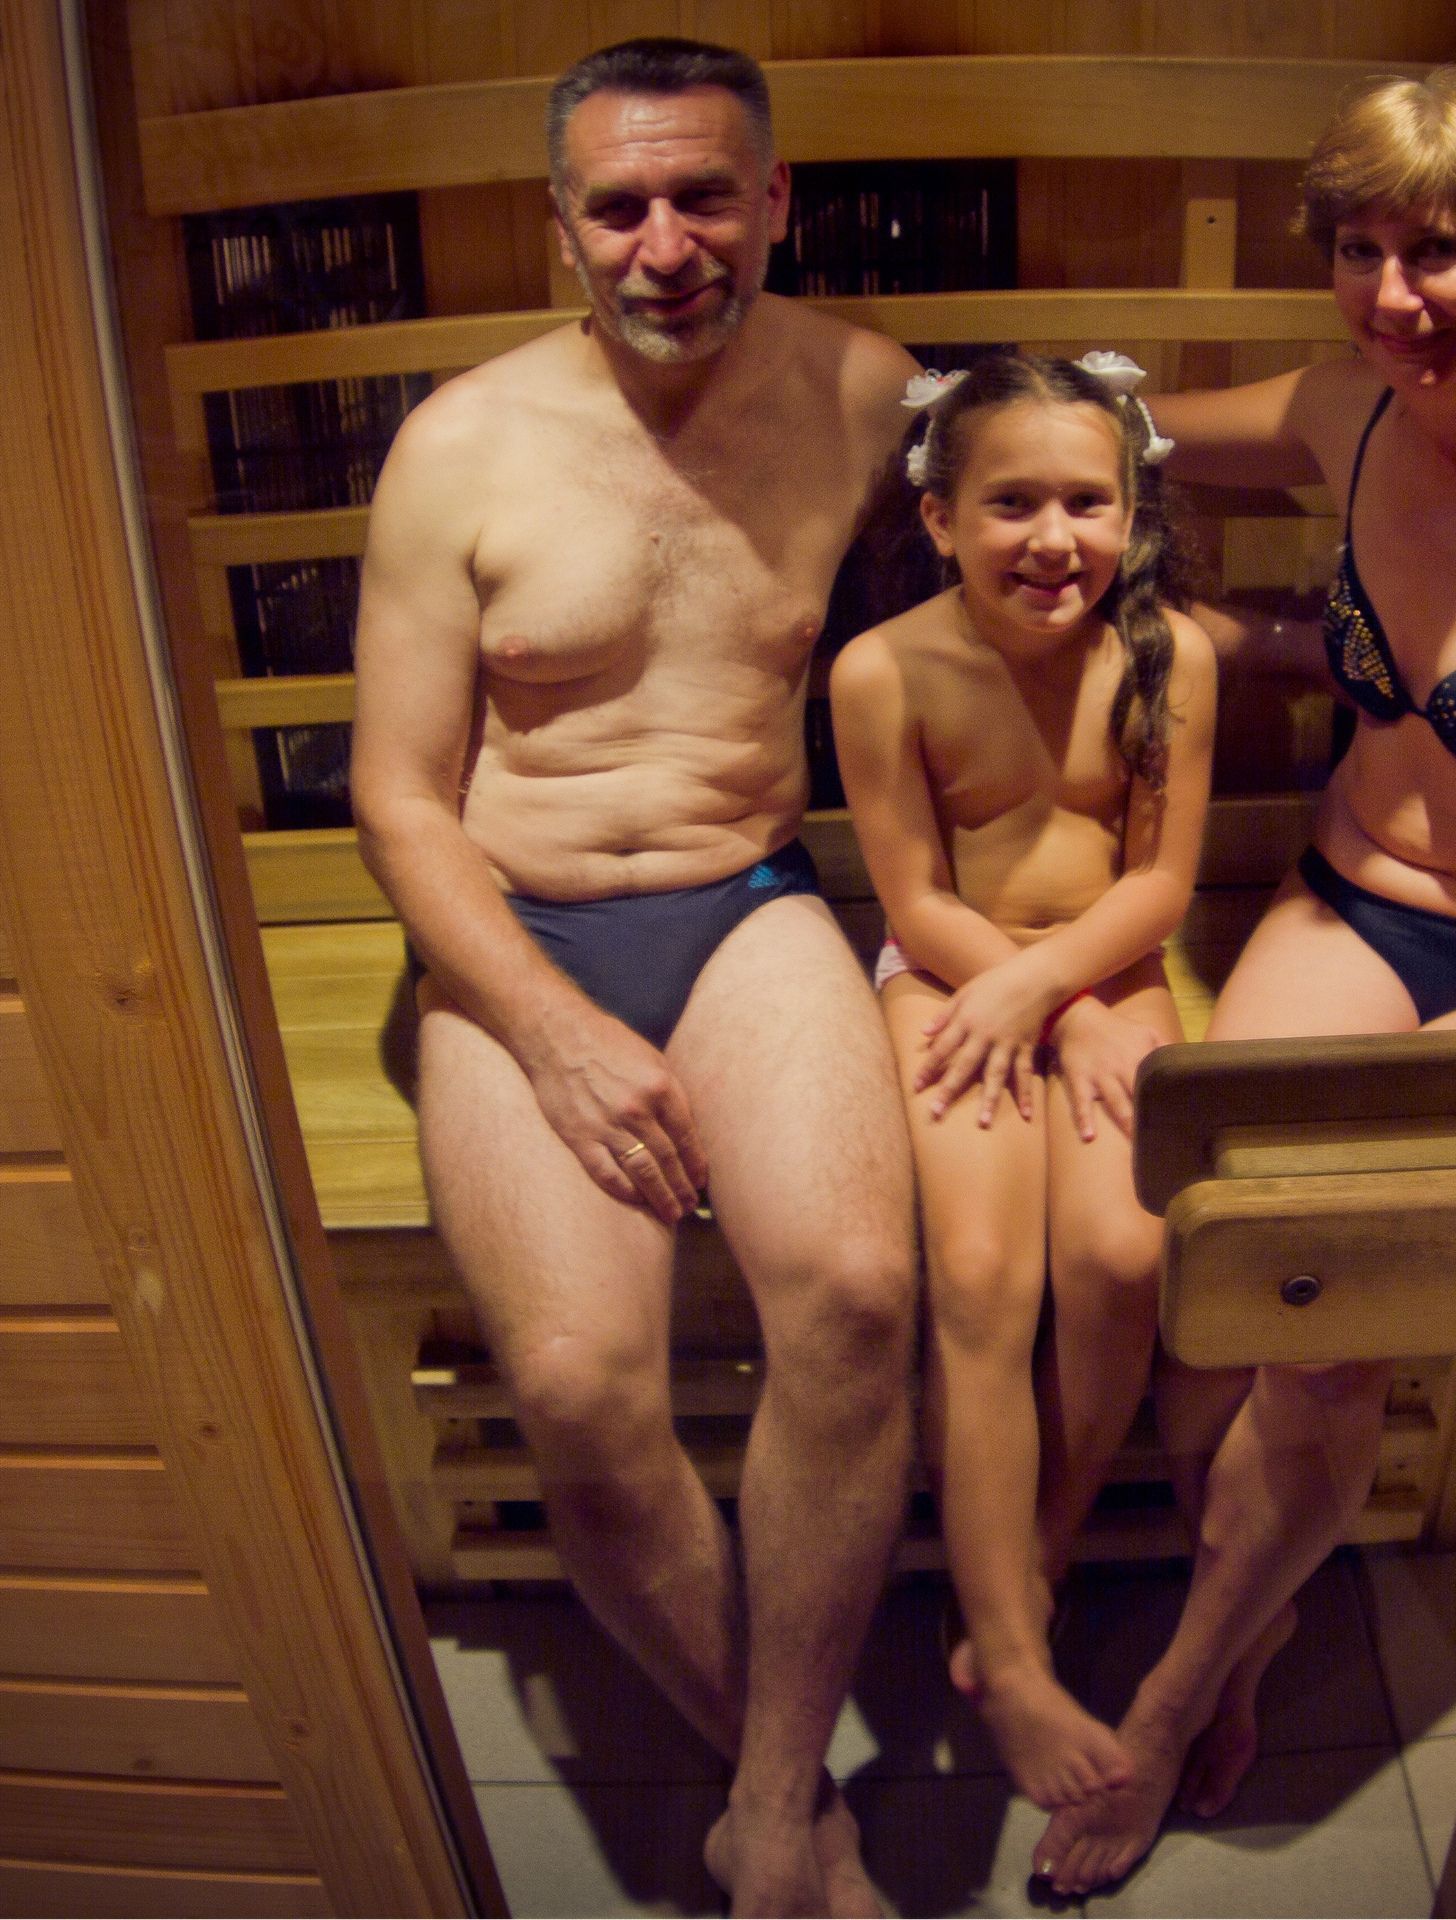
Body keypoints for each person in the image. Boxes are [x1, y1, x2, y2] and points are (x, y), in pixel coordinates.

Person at [1031, 67, 1456, 1894]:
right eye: (1358, 250)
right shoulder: (1344, 410)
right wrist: (967, 422)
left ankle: (1168, 1703)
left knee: (1323, 1332)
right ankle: (1246, 1615)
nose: (1395, 297)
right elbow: (1121, 427)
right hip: (1347, 902)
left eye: (1443, 252)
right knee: (1206, 1262)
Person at [349, 37, 922, 1918]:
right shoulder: (460, 447)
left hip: (748, 895)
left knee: (857, 1295)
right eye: (620, 207)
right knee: (581, 1384)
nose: (665, 246)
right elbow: (397, 800)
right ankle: (793, 1804)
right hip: (517, 931)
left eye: (704, 197)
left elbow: (1059, 539)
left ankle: (770, 1810)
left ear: (777, 202)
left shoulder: (867, 396)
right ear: (562, 226)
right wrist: (554, 1034)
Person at [829, 353, 1216, 1811]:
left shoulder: (1171, 657)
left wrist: (1069, 999)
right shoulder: (883, 670)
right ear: (938, 518)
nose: (1054, 539)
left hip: (1113, 969)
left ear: (1131, 513)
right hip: (948, 976)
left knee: (1122, 1254)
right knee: (982, 1272)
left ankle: (1033, 1558)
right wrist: (1031, 1003)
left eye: (1088, 503)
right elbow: (915, 897)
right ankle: (1009, 1648)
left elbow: (1159, 882)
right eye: (1010, 504)